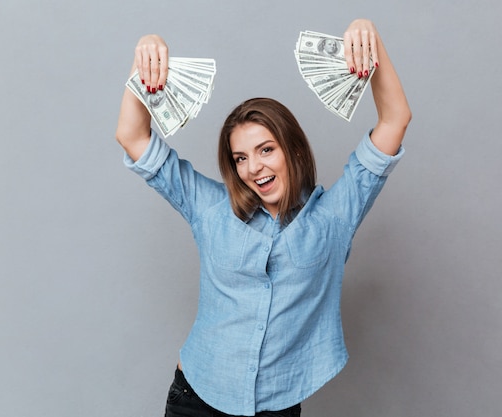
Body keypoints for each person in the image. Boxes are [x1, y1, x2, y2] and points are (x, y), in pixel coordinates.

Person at [116, 18, 411, 417]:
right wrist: (145, 56)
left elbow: (395, 119)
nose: (253, 167)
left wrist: (369, 38)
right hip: (196, 400)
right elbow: (133, 137)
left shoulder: (334, 217)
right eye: (240, 158)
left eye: (266, 149)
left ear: (293, 150)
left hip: (276, 407)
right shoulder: (210, 208)